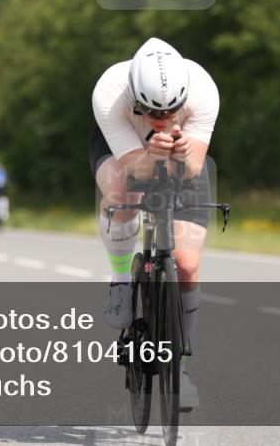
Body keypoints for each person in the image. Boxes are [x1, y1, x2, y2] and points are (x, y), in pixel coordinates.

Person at [90, 37, 219, 410]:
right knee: (122, 192)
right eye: (151, 111)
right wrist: (150, 155)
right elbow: (134, 173)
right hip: (124, 149)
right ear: (135, 97)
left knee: (187, 266)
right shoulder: (110, 93)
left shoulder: (204, 90)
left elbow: (192, 169)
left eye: (170, 112)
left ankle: (180, 368)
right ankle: (120, 280)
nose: (161, 120)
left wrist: (182, 154)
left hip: (180, 151)